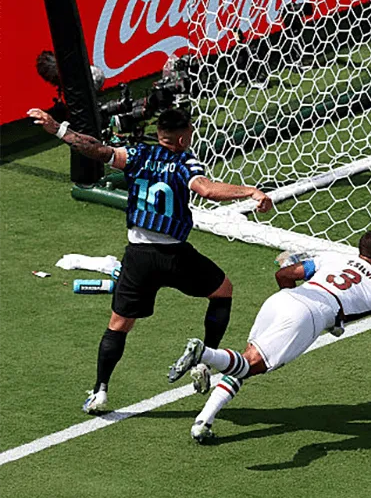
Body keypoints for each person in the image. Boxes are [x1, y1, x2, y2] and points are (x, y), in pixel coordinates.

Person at [27, 106, 271, 413]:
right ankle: (205, 361)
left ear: (160, 135)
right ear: (183, 139)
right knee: (223, 291)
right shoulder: (186, 161)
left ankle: (100, 390)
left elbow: (95, 148)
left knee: (118, 325)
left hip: (139, 257)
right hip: (175, 256)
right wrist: (250, 191)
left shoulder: (137, 154)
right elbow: (206, 190)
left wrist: (57, 129)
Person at [167, 230, 371, 443]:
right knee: (251, 366)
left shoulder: (334, 258)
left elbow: (283, 275)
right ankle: (205, 354)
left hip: (284, 299)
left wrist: (300, 301)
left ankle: (203, 421)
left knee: (245, 361)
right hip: (308, 315)